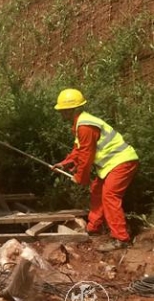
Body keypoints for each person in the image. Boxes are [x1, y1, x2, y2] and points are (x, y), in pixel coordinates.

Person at [52, 89, 139, 252]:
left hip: (121, 162)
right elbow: (79, 150)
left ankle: (121, 239)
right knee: (97, 190)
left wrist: (80, 177)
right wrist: (65, 163)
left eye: (63, 110)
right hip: (112, 165)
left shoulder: (85, 126)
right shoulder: (81, 123)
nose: (61, 113)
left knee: (110, 196)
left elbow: (86, 156)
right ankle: (94, 228)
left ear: (72, 110)